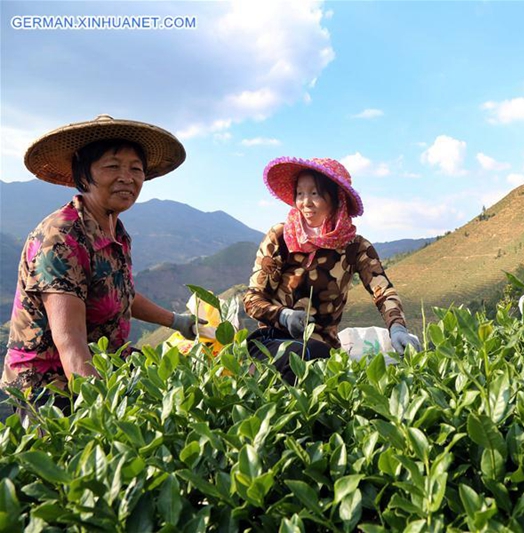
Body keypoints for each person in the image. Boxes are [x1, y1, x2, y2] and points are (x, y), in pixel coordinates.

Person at [2, 115, 201, 414]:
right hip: (50, 386)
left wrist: (177, 321)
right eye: (112, 166)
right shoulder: (62, 237)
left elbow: (119, 293)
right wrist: (103, 413)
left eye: (136, 169)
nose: (127, 177)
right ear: (84, 174)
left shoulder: (114, 231)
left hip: (105, 367)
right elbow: (69, 341)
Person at [244, 157, 420, 381]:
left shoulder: (355, 247)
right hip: (273, 343)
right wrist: (284, 316)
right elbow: (252, 299)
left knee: (323, 360)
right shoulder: (280, 237)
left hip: (324, 351)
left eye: (314, 193)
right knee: (305, 357)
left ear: (336, 199)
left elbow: (383, 290)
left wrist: (397, 328)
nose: (305, 202)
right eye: (300, 193)